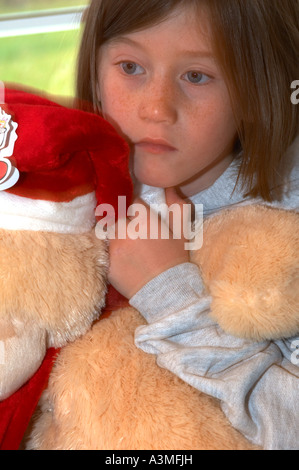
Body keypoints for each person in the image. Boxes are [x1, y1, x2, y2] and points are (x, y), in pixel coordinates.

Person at [77, 0, 299, 449]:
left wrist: (171, 293)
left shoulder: (285, 236)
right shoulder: (63, 197)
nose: (157, 108)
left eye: (196, 76)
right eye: (131, 67)